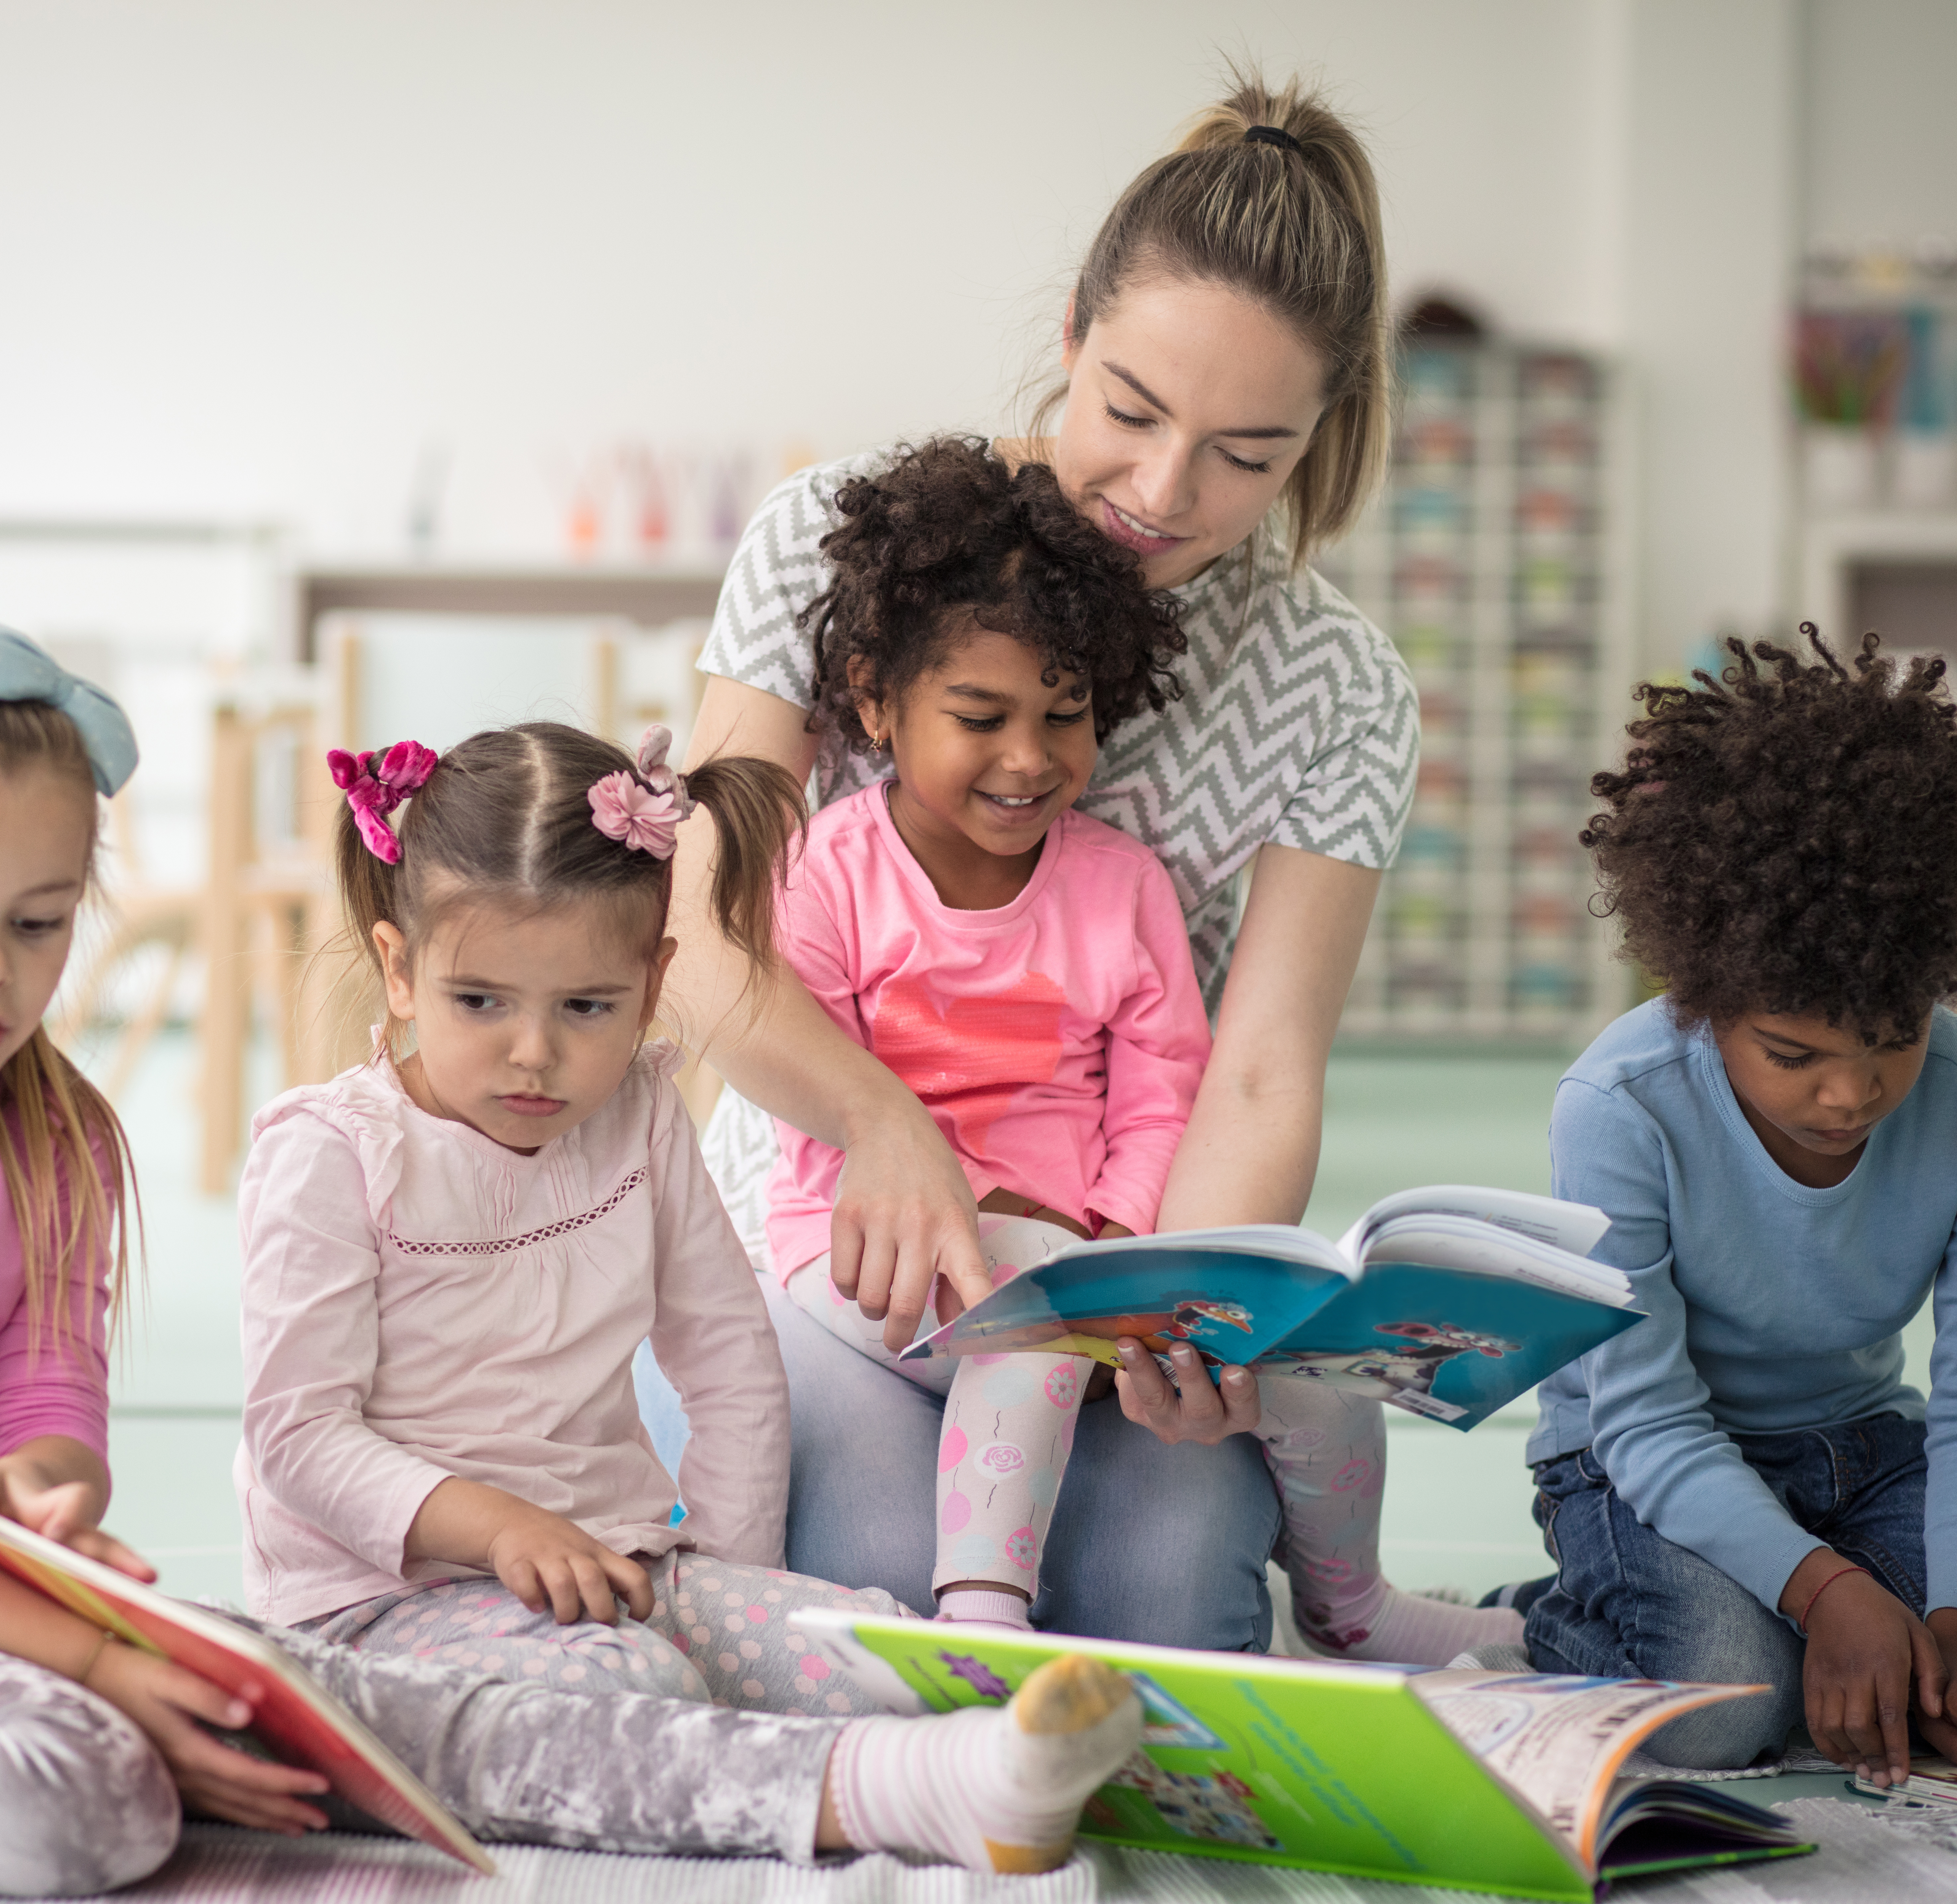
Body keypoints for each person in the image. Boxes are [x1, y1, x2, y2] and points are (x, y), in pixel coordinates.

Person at [0, 620, 1144, 1893]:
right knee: (98, 1796)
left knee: (254, 1740)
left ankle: (918, 1773)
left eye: (44, 921)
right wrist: (79, 1645)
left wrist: (55, 1502)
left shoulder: (51, 1128)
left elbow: (44, 1405)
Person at [665, 67, 1417, 1650]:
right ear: (1071, 330)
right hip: (831, 1231)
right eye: (1131, 411)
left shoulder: (1339, 687)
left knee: (1165, 1607)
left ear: (1318, 442)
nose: (1162, 494)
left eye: (1245, 454)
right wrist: (880, 1122)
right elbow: (705, 945)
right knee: (874, 1581)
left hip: (1116, 1228)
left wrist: (1171, 1308)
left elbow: (1260, 1073)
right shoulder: (836, 545)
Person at [765, 436, 1521, 1667]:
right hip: (871, 1264)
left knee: (1311, 1370)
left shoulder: (1121, 887)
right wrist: (1012, 1234)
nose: (1029, 759)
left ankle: (1353, 1609)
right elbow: (825, 1114)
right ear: (872, 700)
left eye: (1066, 719)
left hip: (1092, 1266)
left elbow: (1164, 1094)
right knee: (1027, 1302)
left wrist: (1122, 1240)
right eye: (980, 717)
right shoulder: (828, 874)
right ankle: (983, 1614)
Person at [1517, 627, 1957, 1782]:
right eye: (1792, 1054)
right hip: (1633, 1457)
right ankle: (1548, 1612)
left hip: (1863, 1447)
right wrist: (1830, 1595)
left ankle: (1812, 1617)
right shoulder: (1618, 1107)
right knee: (1726, 1718)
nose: (1850, 1096)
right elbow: (1642, 1421)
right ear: (1701, 998)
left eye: (1895, 1042)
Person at [239, 719, 898, 1710]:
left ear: (653, 985)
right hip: (385, 1601)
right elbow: (297, 1441)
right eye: (481, 1002)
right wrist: (503, 1528)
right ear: (400, 970)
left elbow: (730, 1370)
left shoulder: (639, 1111)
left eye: (587, 1007)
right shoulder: (332, 1154)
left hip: (617, 1565)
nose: (533, 1055)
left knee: (881, 1659)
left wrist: (727, 1580)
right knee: (636, 1688)